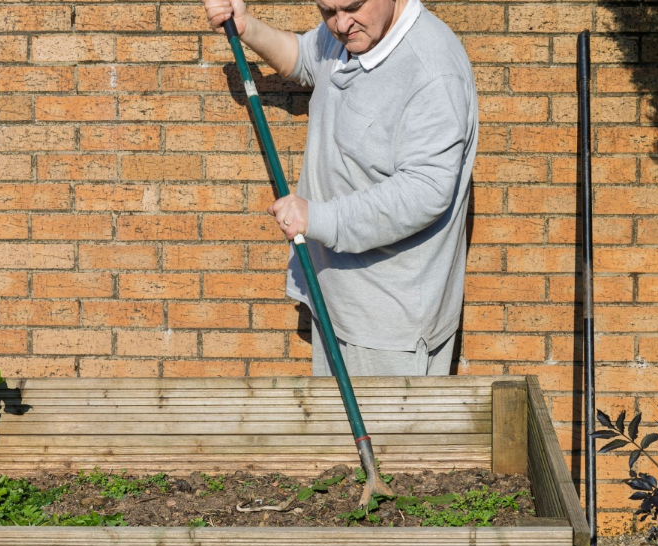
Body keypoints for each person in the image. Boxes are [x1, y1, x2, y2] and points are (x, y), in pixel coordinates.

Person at [202, 0, 478, 376]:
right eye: (327, 11)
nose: (341, 24)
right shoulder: (355, 34)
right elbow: (306, 58)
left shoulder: (431, 70)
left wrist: (317, 217)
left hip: (389, 327)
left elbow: (425, 192)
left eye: (352, 7)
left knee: (386, 437)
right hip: (339, 300)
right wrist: (247, 26)